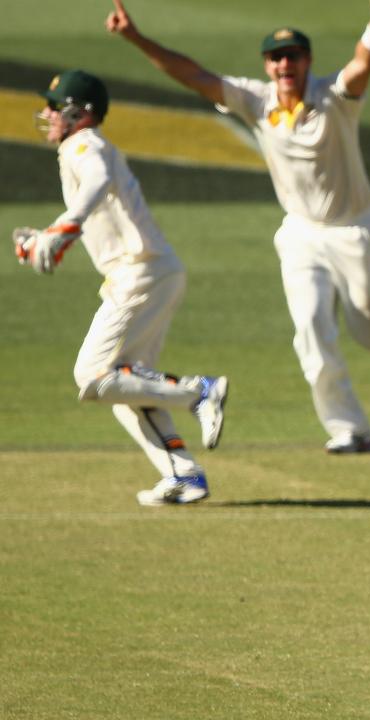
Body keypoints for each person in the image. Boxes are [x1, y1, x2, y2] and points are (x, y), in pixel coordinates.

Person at [106, 0, 370, 454]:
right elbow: (194, 76)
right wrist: (135, 37)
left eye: (293, 56)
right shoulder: (256, 101)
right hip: (302, 235)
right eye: (276, 57)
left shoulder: (335, 98)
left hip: (355, 232)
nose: (284, 64)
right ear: (267, 65)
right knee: (309, 326)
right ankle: (349, 429)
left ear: (307, 62)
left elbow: (364, 64)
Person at [13, 69, 228, 506]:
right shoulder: (86, 147)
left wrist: (63, 229)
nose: (47, 114)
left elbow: (95, 184)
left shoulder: (83, 144)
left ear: (79, 112)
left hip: (140, 273)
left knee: (92, 376)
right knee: (127, 388)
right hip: (149, 271)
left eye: (55, 107)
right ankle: (184, 476)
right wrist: (56, 235)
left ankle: (199, 390)